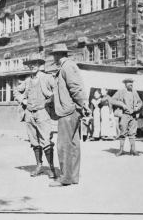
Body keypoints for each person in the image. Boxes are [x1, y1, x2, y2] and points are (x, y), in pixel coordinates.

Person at [49, 43, 90, 187]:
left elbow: (75, 88)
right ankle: (73, 177)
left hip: (68, 111)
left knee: (63, 145)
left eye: (54, 55)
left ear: (58, 55)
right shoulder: (69, 66)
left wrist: (83, 104)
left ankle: (65, 178)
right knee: (73, 144)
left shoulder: (66, 67)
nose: (53, 57)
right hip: (73, 110)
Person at [14, 52, 56, 179]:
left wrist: (49, 101)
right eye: (30, 64)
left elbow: (57, 91)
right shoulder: (27, 80)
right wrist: (22, 100)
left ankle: (52, 168)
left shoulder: (47, 78)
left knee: (46, 140)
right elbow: (16, 91)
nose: (32, 66)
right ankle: (39, 166)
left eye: (35, 63)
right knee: (34, 141)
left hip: (43, 112)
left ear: (39, 64)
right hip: (29, 113)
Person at [110, 78, 143, 156]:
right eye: (129, 82)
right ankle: (121, 150)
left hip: (133, 115)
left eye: (132, 82)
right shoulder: (120, 92)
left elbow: (140, 101)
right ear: (125, 83)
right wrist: (122, 105)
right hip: (124, 115)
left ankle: (133, 149)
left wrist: (137, 107)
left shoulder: (134, 92)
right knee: (123, 132)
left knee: (132, 133)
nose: (131, 84)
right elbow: (112, 100)